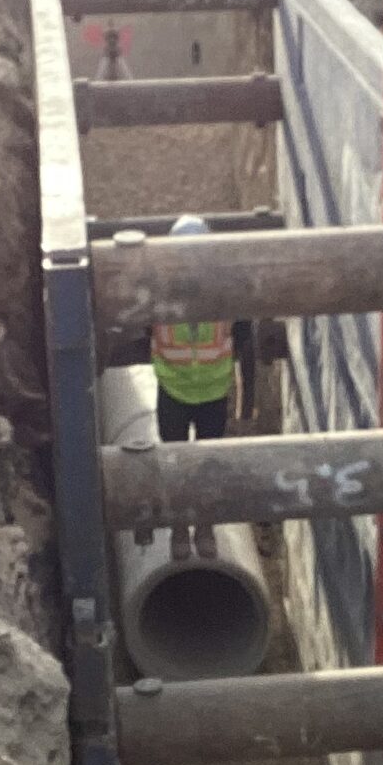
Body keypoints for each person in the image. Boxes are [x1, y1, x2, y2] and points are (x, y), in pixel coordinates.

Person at [151, 214, 242, 561]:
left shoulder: (224, 292)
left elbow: (243, 335)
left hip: (213, 393)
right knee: (174, 466)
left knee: (207, 469)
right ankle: (178, 531)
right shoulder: (158, 289)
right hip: (173, 389)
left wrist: (245, 396)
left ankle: (204, 529)